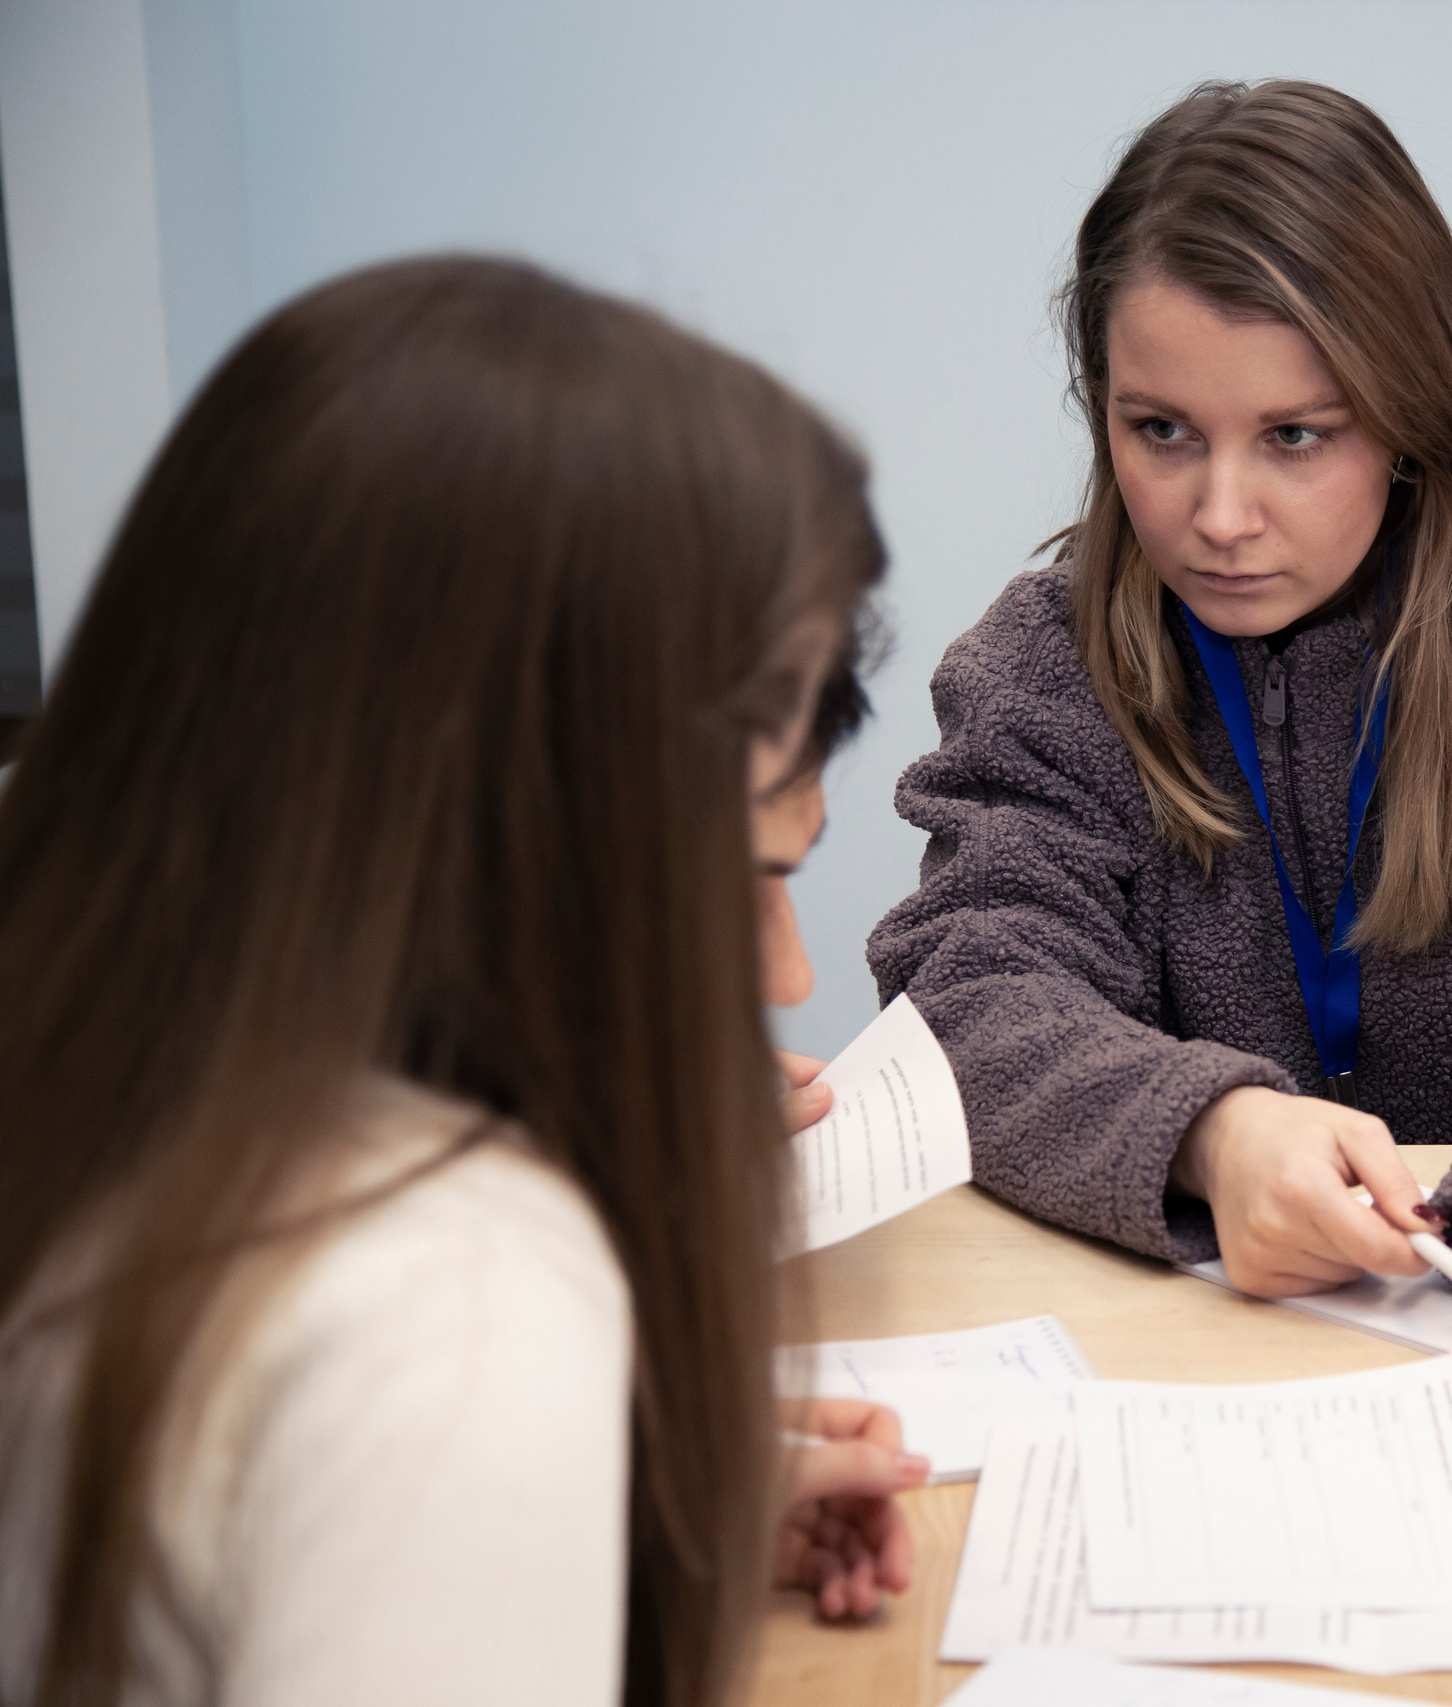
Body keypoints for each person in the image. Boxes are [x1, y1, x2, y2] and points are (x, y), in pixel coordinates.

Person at [0, 258, 913, 1707]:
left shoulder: (98, 1075)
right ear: (510, 827)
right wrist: (493, 1473)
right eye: (751, 872)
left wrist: (606, 1510)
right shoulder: (457, 1298)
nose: (792, 971)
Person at [869, 81, 1452, 1304]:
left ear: (1410, 420)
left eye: (1295, 435)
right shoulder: (1041, 666)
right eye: (1161, 430)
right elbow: (972, 992)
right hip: (1178, 1343)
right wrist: (1212, 1130)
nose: (1220, 518)